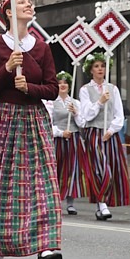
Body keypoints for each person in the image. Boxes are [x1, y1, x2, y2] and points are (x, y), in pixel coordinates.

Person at [0, 0, 62, 259]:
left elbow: (53, 89)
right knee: (4, 186)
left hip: (34, 120)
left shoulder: (42, 47)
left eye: (30, 2)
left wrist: (30, 88)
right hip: (3, 120)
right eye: (22, 3)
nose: (29, 5)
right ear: (9, 13)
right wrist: (8, 67)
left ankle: (47, 246)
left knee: (43, 184)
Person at [79, 52, 130, 221]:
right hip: (94, 132)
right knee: (101, 169)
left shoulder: (113, 89)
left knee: (112, 168)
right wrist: (100, 102)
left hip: (110, 133)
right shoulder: (85, 90)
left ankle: (102, 202)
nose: (100, 69)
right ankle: (102, 203)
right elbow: (86, 115)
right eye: (96, 66)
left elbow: (119, 115)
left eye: (102, 66)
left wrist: (112, 130)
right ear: (90, 70)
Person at [45, 70, 88, 216]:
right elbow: (48, 124)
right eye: (60, 83)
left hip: (73, 140)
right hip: (57, 140)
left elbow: (82, 123)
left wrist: (75, 112)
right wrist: (60, 132)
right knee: (55, 170)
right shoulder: (50, 103)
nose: (62, 85)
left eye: (65, 83)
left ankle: (70, 203)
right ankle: (53, 201)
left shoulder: (75, 102)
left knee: (72, 170)